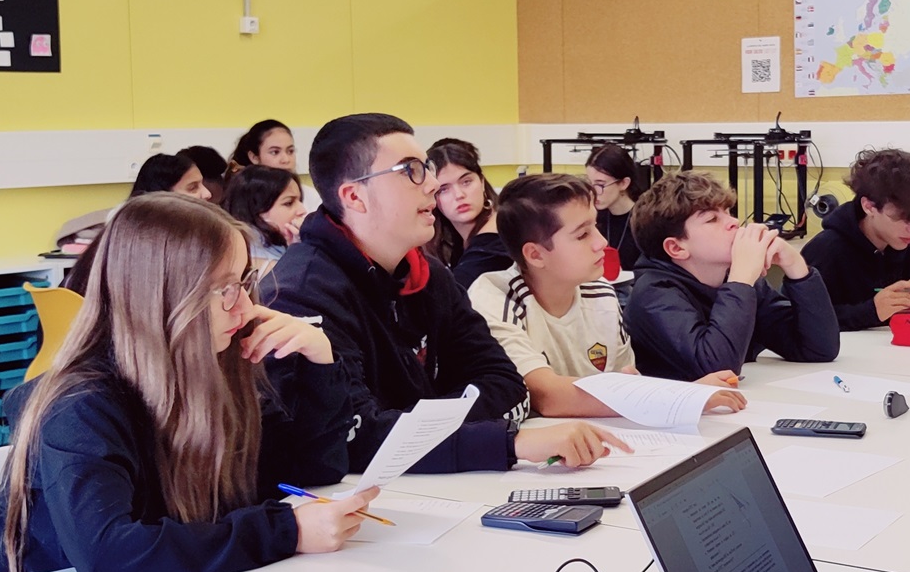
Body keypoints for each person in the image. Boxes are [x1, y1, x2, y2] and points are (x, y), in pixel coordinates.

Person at [0, 194, 374, 572]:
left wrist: (319, 360)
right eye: (224, 289)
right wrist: (286, 531)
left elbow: (310, 473)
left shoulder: (215, 370)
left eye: (243, 282)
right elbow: (109, 555)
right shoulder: (80, 407)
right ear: (162, 299)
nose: (244, 306)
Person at [268, 113, 618, 472]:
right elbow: (352, 439)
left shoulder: (429, 275)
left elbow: (507, 386)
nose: (433, 184)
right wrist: (503, 441)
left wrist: (418, 431)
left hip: (432, 483)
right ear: (355, 196)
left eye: (427, 169)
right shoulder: (300, 294)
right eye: (411, 171)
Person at [470, 173, 747, 417]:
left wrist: (660, 393)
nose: (601, 242)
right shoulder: (494, 298)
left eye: (597, 226)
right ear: (535, 254)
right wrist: (683, 396)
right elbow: (547, 396)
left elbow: (624, 384)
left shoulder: (600, 291)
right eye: (582, 235)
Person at [623, 171, 840, 381]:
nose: (733, 222)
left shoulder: (735, 279)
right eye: (712, 219)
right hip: (681, 406)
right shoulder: (653, 294)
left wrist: (795, 266)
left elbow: (818, 348)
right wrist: (740, 280)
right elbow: (717, 369)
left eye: (728, 211)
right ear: (676, 248)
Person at [800, 148, 910, 330]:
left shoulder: (904, 248)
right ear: (869, 207)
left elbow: (896, 320)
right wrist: (872, 312)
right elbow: (803, 319)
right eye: (901, 218)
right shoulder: (826, 250)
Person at [65, 153, 215, 293]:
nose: (207, 194)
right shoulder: (140, 244)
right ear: (163, 195)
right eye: (193, 188)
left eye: (202, 184)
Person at [427, 137, 512, 290]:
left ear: (482, 182)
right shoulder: (457, 238)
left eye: (466, 182)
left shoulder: (494, 244)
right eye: (444, 189)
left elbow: (451, 297)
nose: (459, 195)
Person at [224, 165, 306, 264]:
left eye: (300, 201)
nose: (302, 210)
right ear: (256, 210)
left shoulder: (285, 245)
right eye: (289, 203)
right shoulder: (261, 263)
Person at [586, 142, 647, 275]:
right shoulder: (593, 217)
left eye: (600, 185)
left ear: (624, 183)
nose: (593, 192)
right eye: (589, 184)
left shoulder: (646, 221)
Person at [230, 119, 297, 175]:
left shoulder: (299, 187)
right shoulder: (243, 187)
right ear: (254, 158)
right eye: (275, 152)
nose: (286, 160)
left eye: (290, 151)